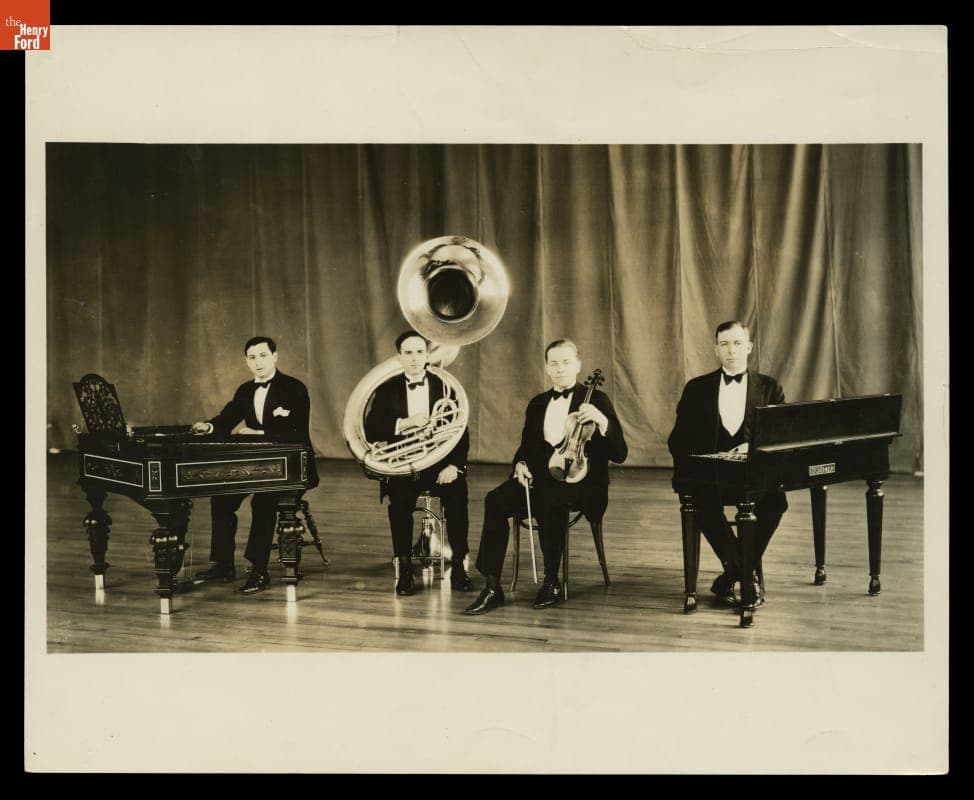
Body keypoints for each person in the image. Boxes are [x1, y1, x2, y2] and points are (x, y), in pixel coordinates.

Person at [465, 338, 628, 615]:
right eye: (554, 363)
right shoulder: (538, 403)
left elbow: (620, 453)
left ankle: (552, 582)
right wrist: (520, 465)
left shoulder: (597, 400)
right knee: (495, 499)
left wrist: (602, 421)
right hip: (541, 477)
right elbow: (526, 447)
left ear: (577, 364)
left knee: (552, 500)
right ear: (547, 368)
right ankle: (492, 586)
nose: (560, 368)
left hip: (583, 482)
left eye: (566, 362)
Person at [667, 320, 788, 608]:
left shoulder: (770, 387)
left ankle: (732, 574)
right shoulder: (696, 388)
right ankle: (746, 577)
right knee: (702, 502)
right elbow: (678, 440)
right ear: (716, 349)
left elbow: (782, 437)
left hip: (753, 476)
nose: (731, 350)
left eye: (737, 343)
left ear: (748, 347)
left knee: (775, 502)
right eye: (724, 344)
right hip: (712, 477)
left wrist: (753, 447)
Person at [191, 336, 318, 594]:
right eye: (252, 357)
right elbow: (226, 419)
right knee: (222, 499)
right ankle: (224, 564)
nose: (258, 362)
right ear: (246, 361)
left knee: (263, 502)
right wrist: (209, 426)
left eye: (263, 355)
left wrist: (259, 434)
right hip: (256, 466)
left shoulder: (294, 388)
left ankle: (259, 570)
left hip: (292, 466)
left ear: (275, 356)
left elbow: (297, 433)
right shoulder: (245, 390)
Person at [364, 331, 472, 596]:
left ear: (427, 355)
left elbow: (461, 429)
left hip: (440, 465)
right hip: (404, 465)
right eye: (408, 353)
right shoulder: (386, 388)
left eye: (420, 352)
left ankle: (459, 564)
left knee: (457, 497)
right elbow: (371, 428)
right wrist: (404, 423)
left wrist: (455, 467)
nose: (415, 358)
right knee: (399, 504)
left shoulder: (445, 386)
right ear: (398, 357)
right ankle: (404, 567)